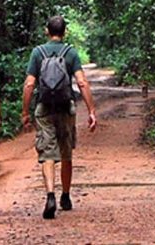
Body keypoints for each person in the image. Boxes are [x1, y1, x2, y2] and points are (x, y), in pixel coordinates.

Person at [21, 15, 97, 219]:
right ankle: (65, 195)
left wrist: (25, 112)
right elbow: (82, 82)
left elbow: (29, 84)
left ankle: (50, 195)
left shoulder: (38, 52)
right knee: (66, 152)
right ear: (65, 32)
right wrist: (91, 110)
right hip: (65, 107)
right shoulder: (70, 52)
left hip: (44, 107)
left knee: (47, 152)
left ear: (47, 31)